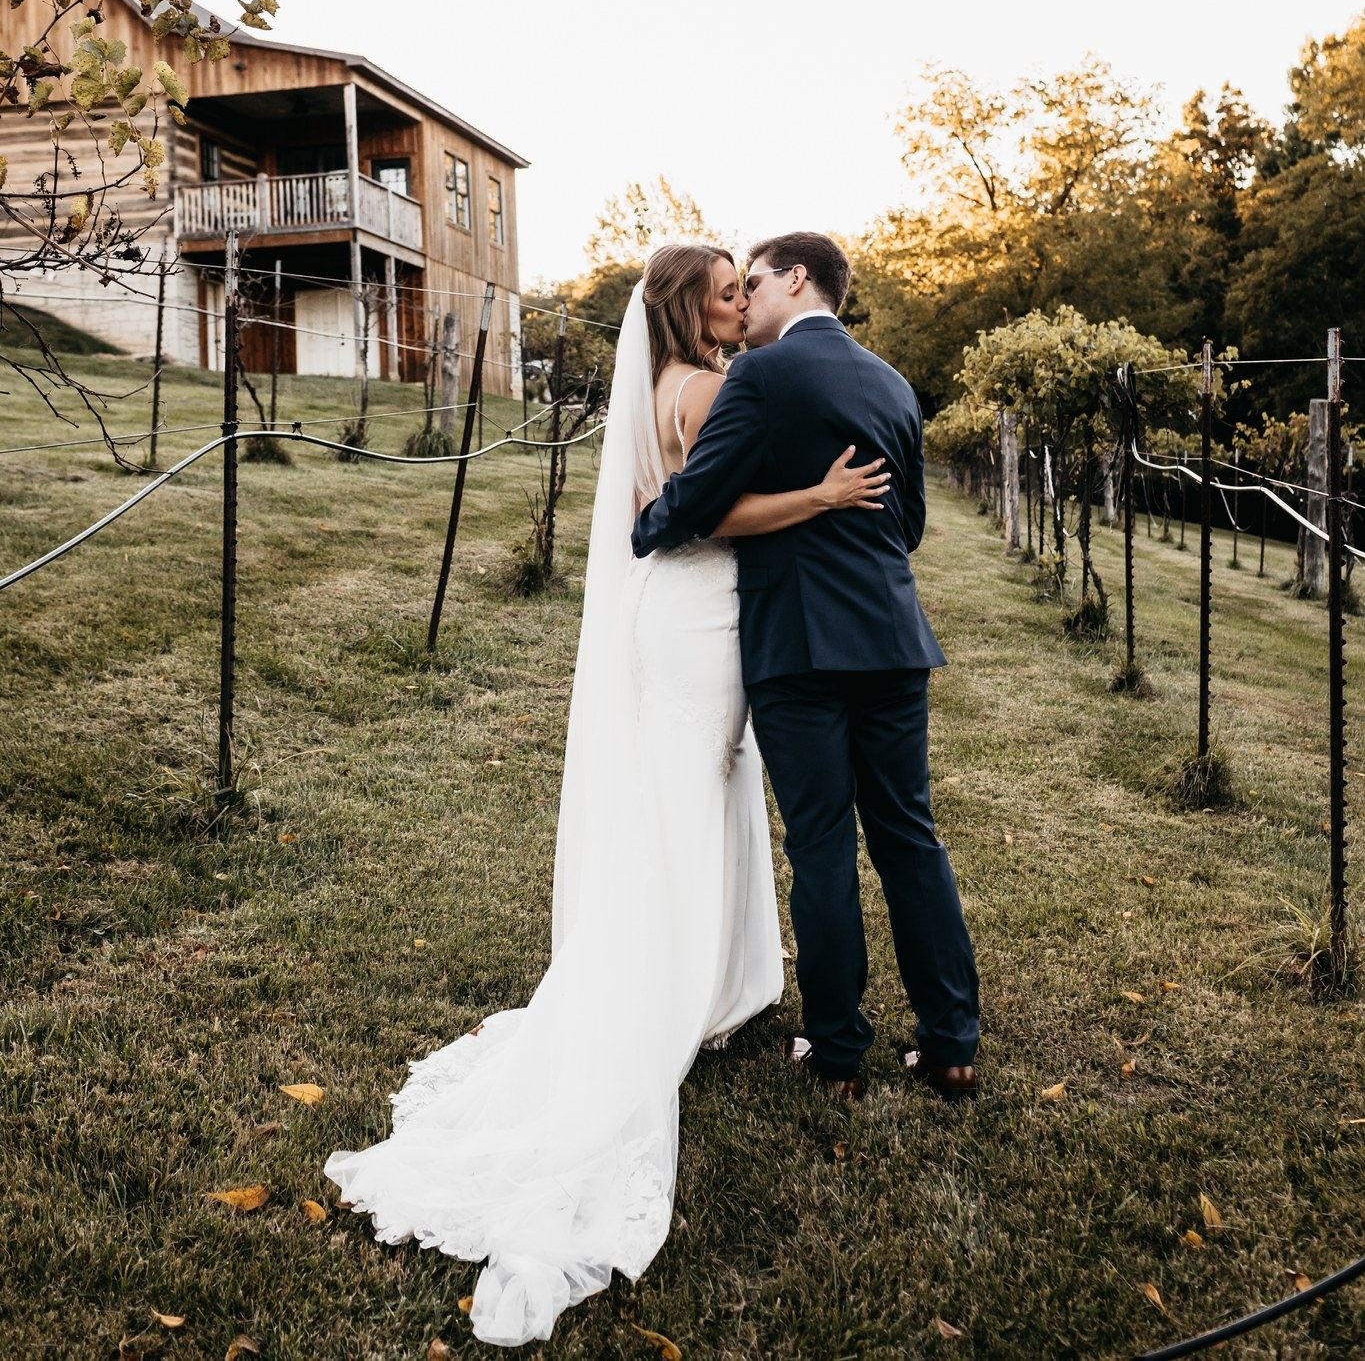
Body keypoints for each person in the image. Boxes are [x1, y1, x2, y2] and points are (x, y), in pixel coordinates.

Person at [323, 242, 888, 1348]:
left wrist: (694, 496)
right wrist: (821, 491)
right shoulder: (713, 385)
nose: (740, 301)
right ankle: (661, 996)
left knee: (690, 802)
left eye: (745, 286)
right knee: (687, 809)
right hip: (703, 619)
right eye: (727, 289)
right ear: (689, 306)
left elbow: (673, 501)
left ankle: (706, 985)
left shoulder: (677, 385)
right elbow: (709, 514)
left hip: (678, 619)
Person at [633, 231, 981, 1106]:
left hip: (796, 644)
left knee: (823, 845)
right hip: (891, 638)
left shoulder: (758, 375)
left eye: (751, 283)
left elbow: (699, 501)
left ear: (796, 279)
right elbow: (905, 527)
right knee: (910, 837)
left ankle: (836, 1056)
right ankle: (950, 1046)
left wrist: (647, 522)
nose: (742, 301)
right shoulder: (894, 383)